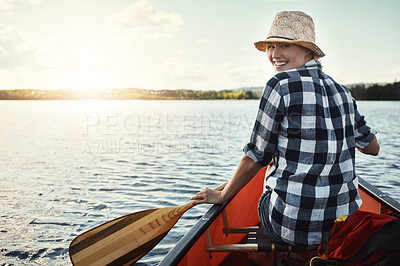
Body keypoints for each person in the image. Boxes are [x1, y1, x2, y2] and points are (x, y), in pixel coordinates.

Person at [191, 10, 380, 262]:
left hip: (292, 226)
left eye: (285, 45)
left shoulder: (279, 84)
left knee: (266, 188)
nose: (274, 54)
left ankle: (282, 257)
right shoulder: (343, 91)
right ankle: (305, 256)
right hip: (341, 226)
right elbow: (372, 148)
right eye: (271, 46)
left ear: (309, 51)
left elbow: (257, 155)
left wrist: (223, 195)